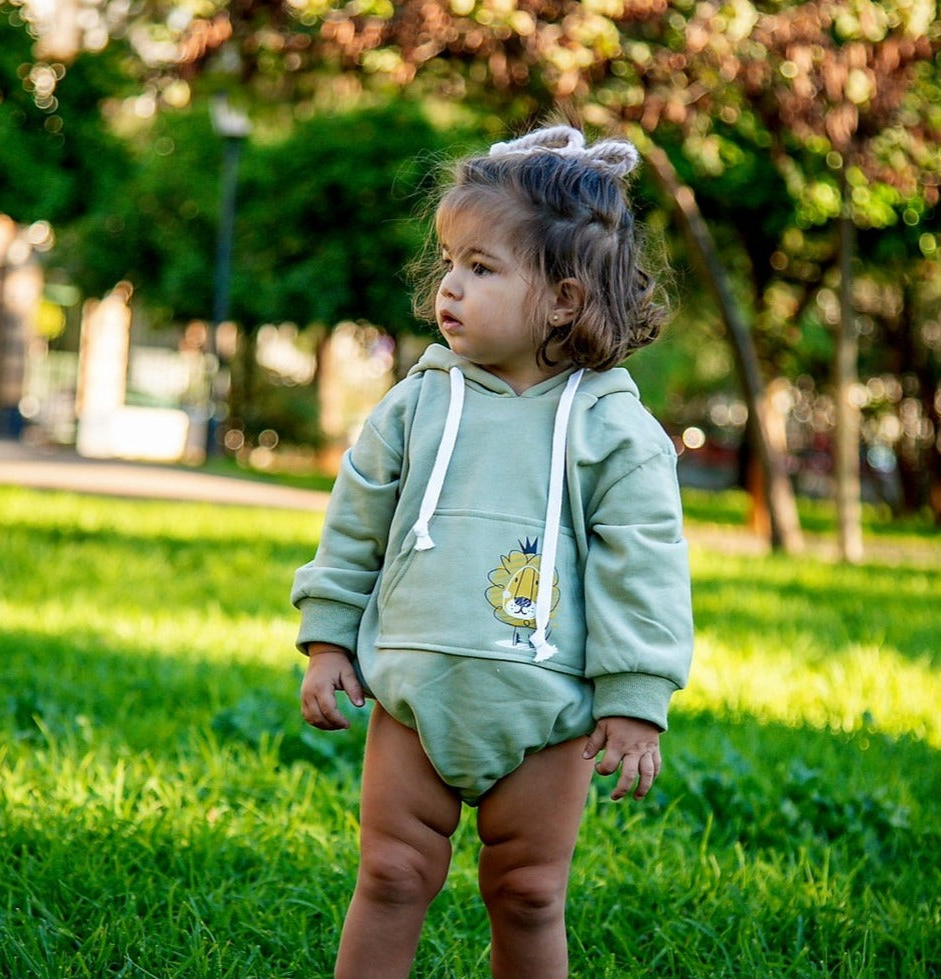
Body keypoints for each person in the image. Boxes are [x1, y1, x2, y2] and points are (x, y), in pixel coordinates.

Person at [292, 124, 693, 979]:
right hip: (413, 690)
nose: (449, 286)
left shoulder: (614, 431)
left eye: (481, 267)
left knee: (527, 890)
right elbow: (355, 521)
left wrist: (633, 694)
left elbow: (644, 568)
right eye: (448, 263)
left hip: (547, 706)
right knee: (392, 872)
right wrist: (330, 639)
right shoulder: (415, 403)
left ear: (562, 298)